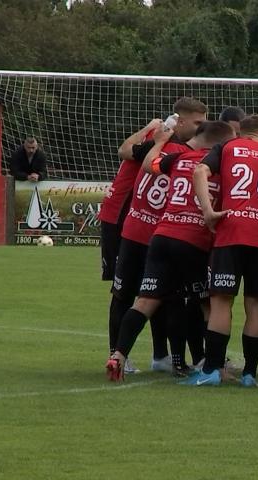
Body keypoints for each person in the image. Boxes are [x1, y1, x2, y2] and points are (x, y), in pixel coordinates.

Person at [105, 121, 236, 382]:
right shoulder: (220, 166)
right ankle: (214, 367)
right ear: (219, 145)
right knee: (208, 305)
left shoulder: (180, 157)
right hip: (193, 240)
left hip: (162, 236)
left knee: (146, 301)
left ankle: (117, 356)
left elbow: (148, 165)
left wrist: (160, 142)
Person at [182, 115, 258, 388]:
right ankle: (250, 373)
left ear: (242, 132)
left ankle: (212, 370)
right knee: (256, 304)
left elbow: (199, 172)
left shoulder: (227, 147)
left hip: (231, 229)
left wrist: (207, 211)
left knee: (221, 301)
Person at [100, 97, 208, 282]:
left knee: (141, 285)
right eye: (198, 122)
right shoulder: (161, 141)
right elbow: (124, 151)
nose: (202, 127)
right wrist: (149, 129)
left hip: (140, 220)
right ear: (180, 121)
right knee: (125, 284)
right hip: (122, 213)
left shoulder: (165, 139)